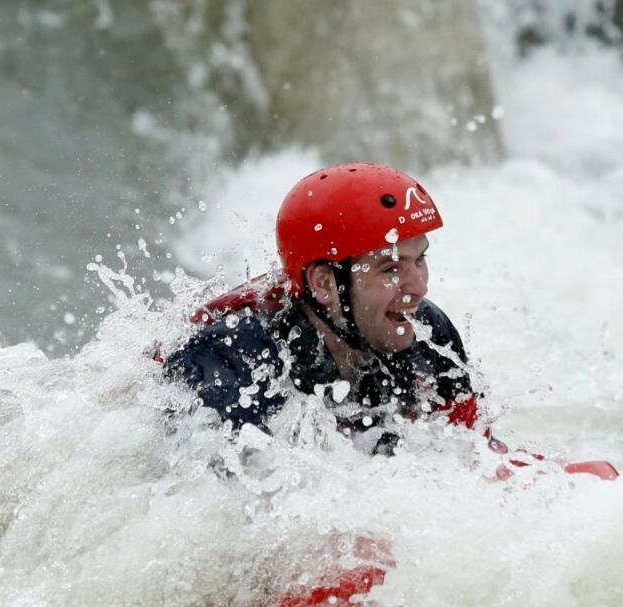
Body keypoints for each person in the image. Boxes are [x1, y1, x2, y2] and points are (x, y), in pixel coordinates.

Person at [164, 162, 481, 453]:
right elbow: (226, 502)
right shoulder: (236, 361)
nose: (419, 287)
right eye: (391, 269)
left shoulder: (428, 333)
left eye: (420, 260)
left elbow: (475, 452)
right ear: (325, 283)